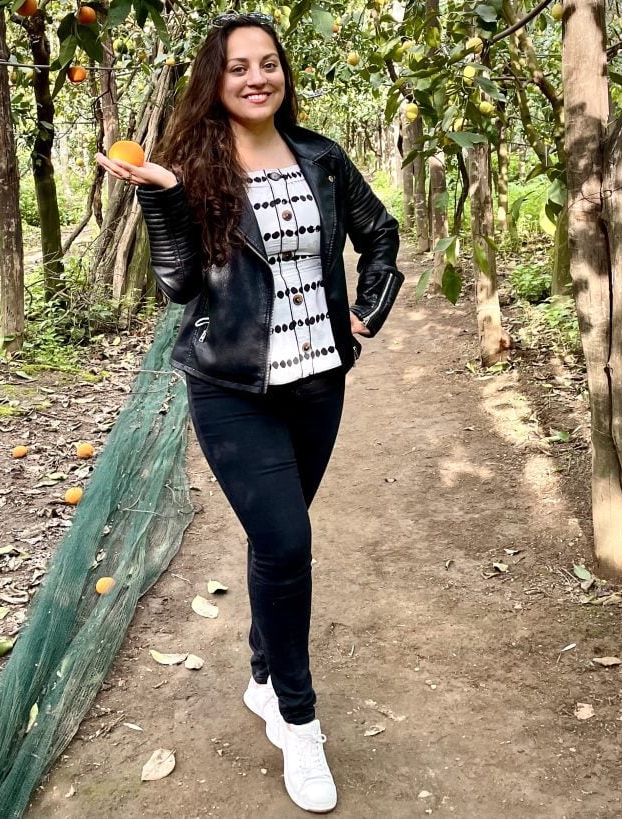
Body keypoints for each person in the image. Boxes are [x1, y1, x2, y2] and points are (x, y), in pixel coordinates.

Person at [96, 12, 402, 813]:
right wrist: (163, 201)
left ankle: (264, 673)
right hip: (232, 388)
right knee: (289, 539)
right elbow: (180, 287)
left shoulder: (322, 158)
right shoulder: (194, 169)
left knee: (278, 542)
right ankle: (299, 720)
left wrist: (369, 308)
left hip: (319, 383)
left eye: (269, 64)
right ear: (216, 81)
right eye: (239, 68)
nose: (258, 77)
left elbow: (381, 233)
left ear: (283, 74)